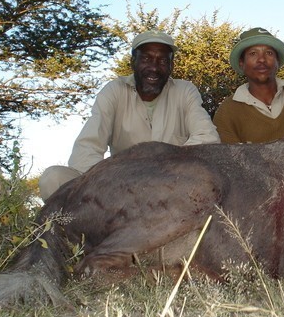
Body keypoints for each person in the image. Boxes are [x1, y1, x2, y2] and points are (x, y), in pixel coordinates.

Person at [39, 30, 220, 199]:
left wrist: (165, 170)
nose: (154, 68)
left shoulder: (184, 90)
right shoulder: (114, 90)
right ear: (133, 61)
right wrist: (114, 178)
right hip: (119, 187)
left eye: (163, 61)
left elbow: (207, 137)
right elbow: (87, 147)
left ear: (171, 66)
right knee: (54, 178)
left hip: (171, 186)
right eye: (147, 59)